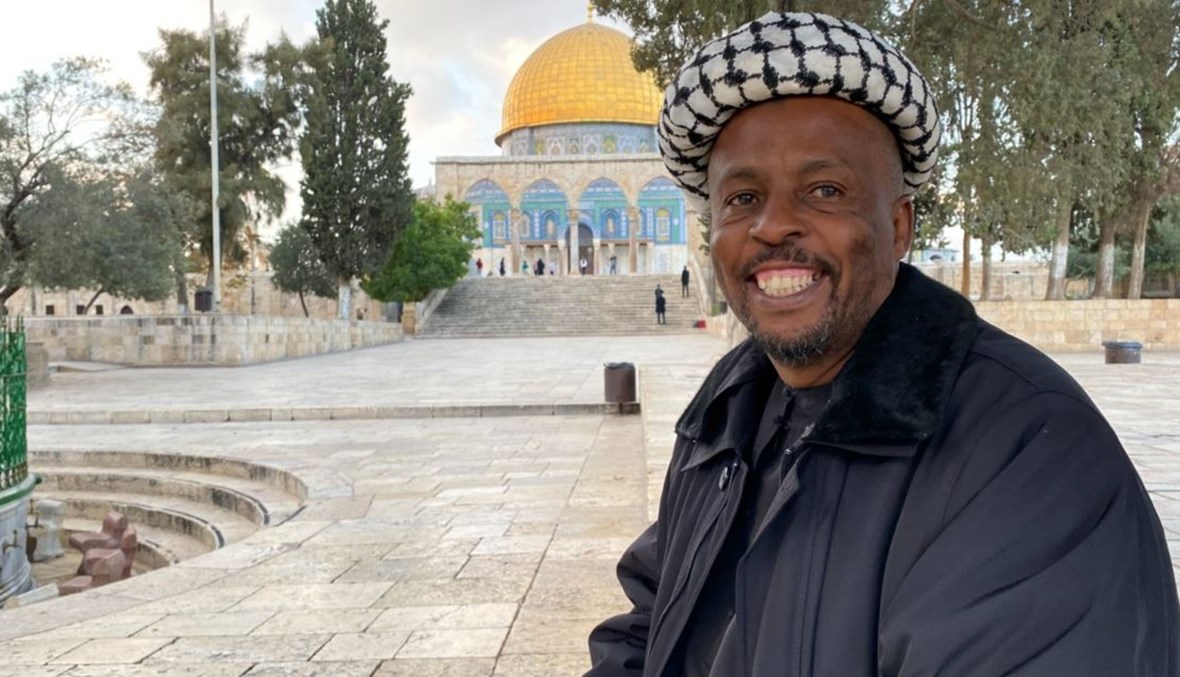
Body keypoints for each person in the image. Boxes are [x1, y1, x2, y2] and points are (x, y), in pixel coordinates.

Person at [587, 11, 1179, 677]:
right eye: (742, 197)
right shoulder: (728, 413)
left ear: (898, 227)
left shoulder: (1029, 450)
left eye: (824, 190)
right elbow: (651, 623)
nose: (772, 225)